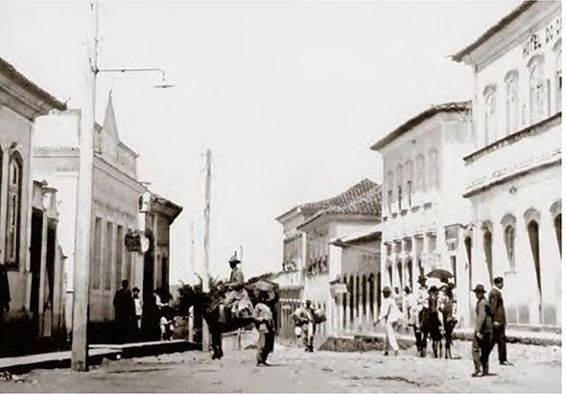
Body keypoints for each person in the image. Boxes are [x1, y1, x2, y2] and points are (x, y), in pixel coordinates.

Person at [489, 277, 512, 366]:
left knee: (499, 340)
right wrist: (495, 320)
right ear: (497, 284)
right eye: (501, 283)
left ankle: (502, 359)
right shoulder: (495, 293)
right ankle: (484, 355)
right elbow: (493, 308)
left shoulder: (496, 293)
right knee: (496, 340)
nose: (502, 285)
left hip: (499, 321)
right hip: (497, 321)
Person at [471, 284, 494, 377]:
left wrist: (477, 330)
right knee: (484, 349)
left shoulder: (481, 303)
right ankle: (485, 369)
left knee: (475, 348)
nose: (476, 294)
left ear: (481, 293)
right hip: (488, 328)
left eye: (478, 293)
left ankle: (478, 369)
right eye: (476, 293)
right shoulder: (484, 302)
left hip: (483, 329)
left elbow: (481, 317)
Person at [374, 286, 402, 356]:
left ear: (386, 294)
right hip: (394, 319)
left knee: (390, 335)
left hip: (389, 320)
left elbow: (384, 312)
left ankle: (396, 349)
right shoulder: (392, 300)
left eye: (384, 293)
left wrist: (378, 320)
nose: (383, 294)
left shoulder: (386, 301)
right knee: (387, 335)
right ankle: (386, 350)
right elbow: (397, 310)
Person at [254, 291, 275, 366]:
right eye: (263, 297)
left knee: (268, 345)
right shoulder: (258, 306)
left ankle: (264, 359)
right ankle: (259, 360)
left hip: (270, 327)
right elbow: (254, 317)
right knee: (262, 344)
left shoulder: (268, 306)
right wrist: (262, 318)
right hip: (263, 327)